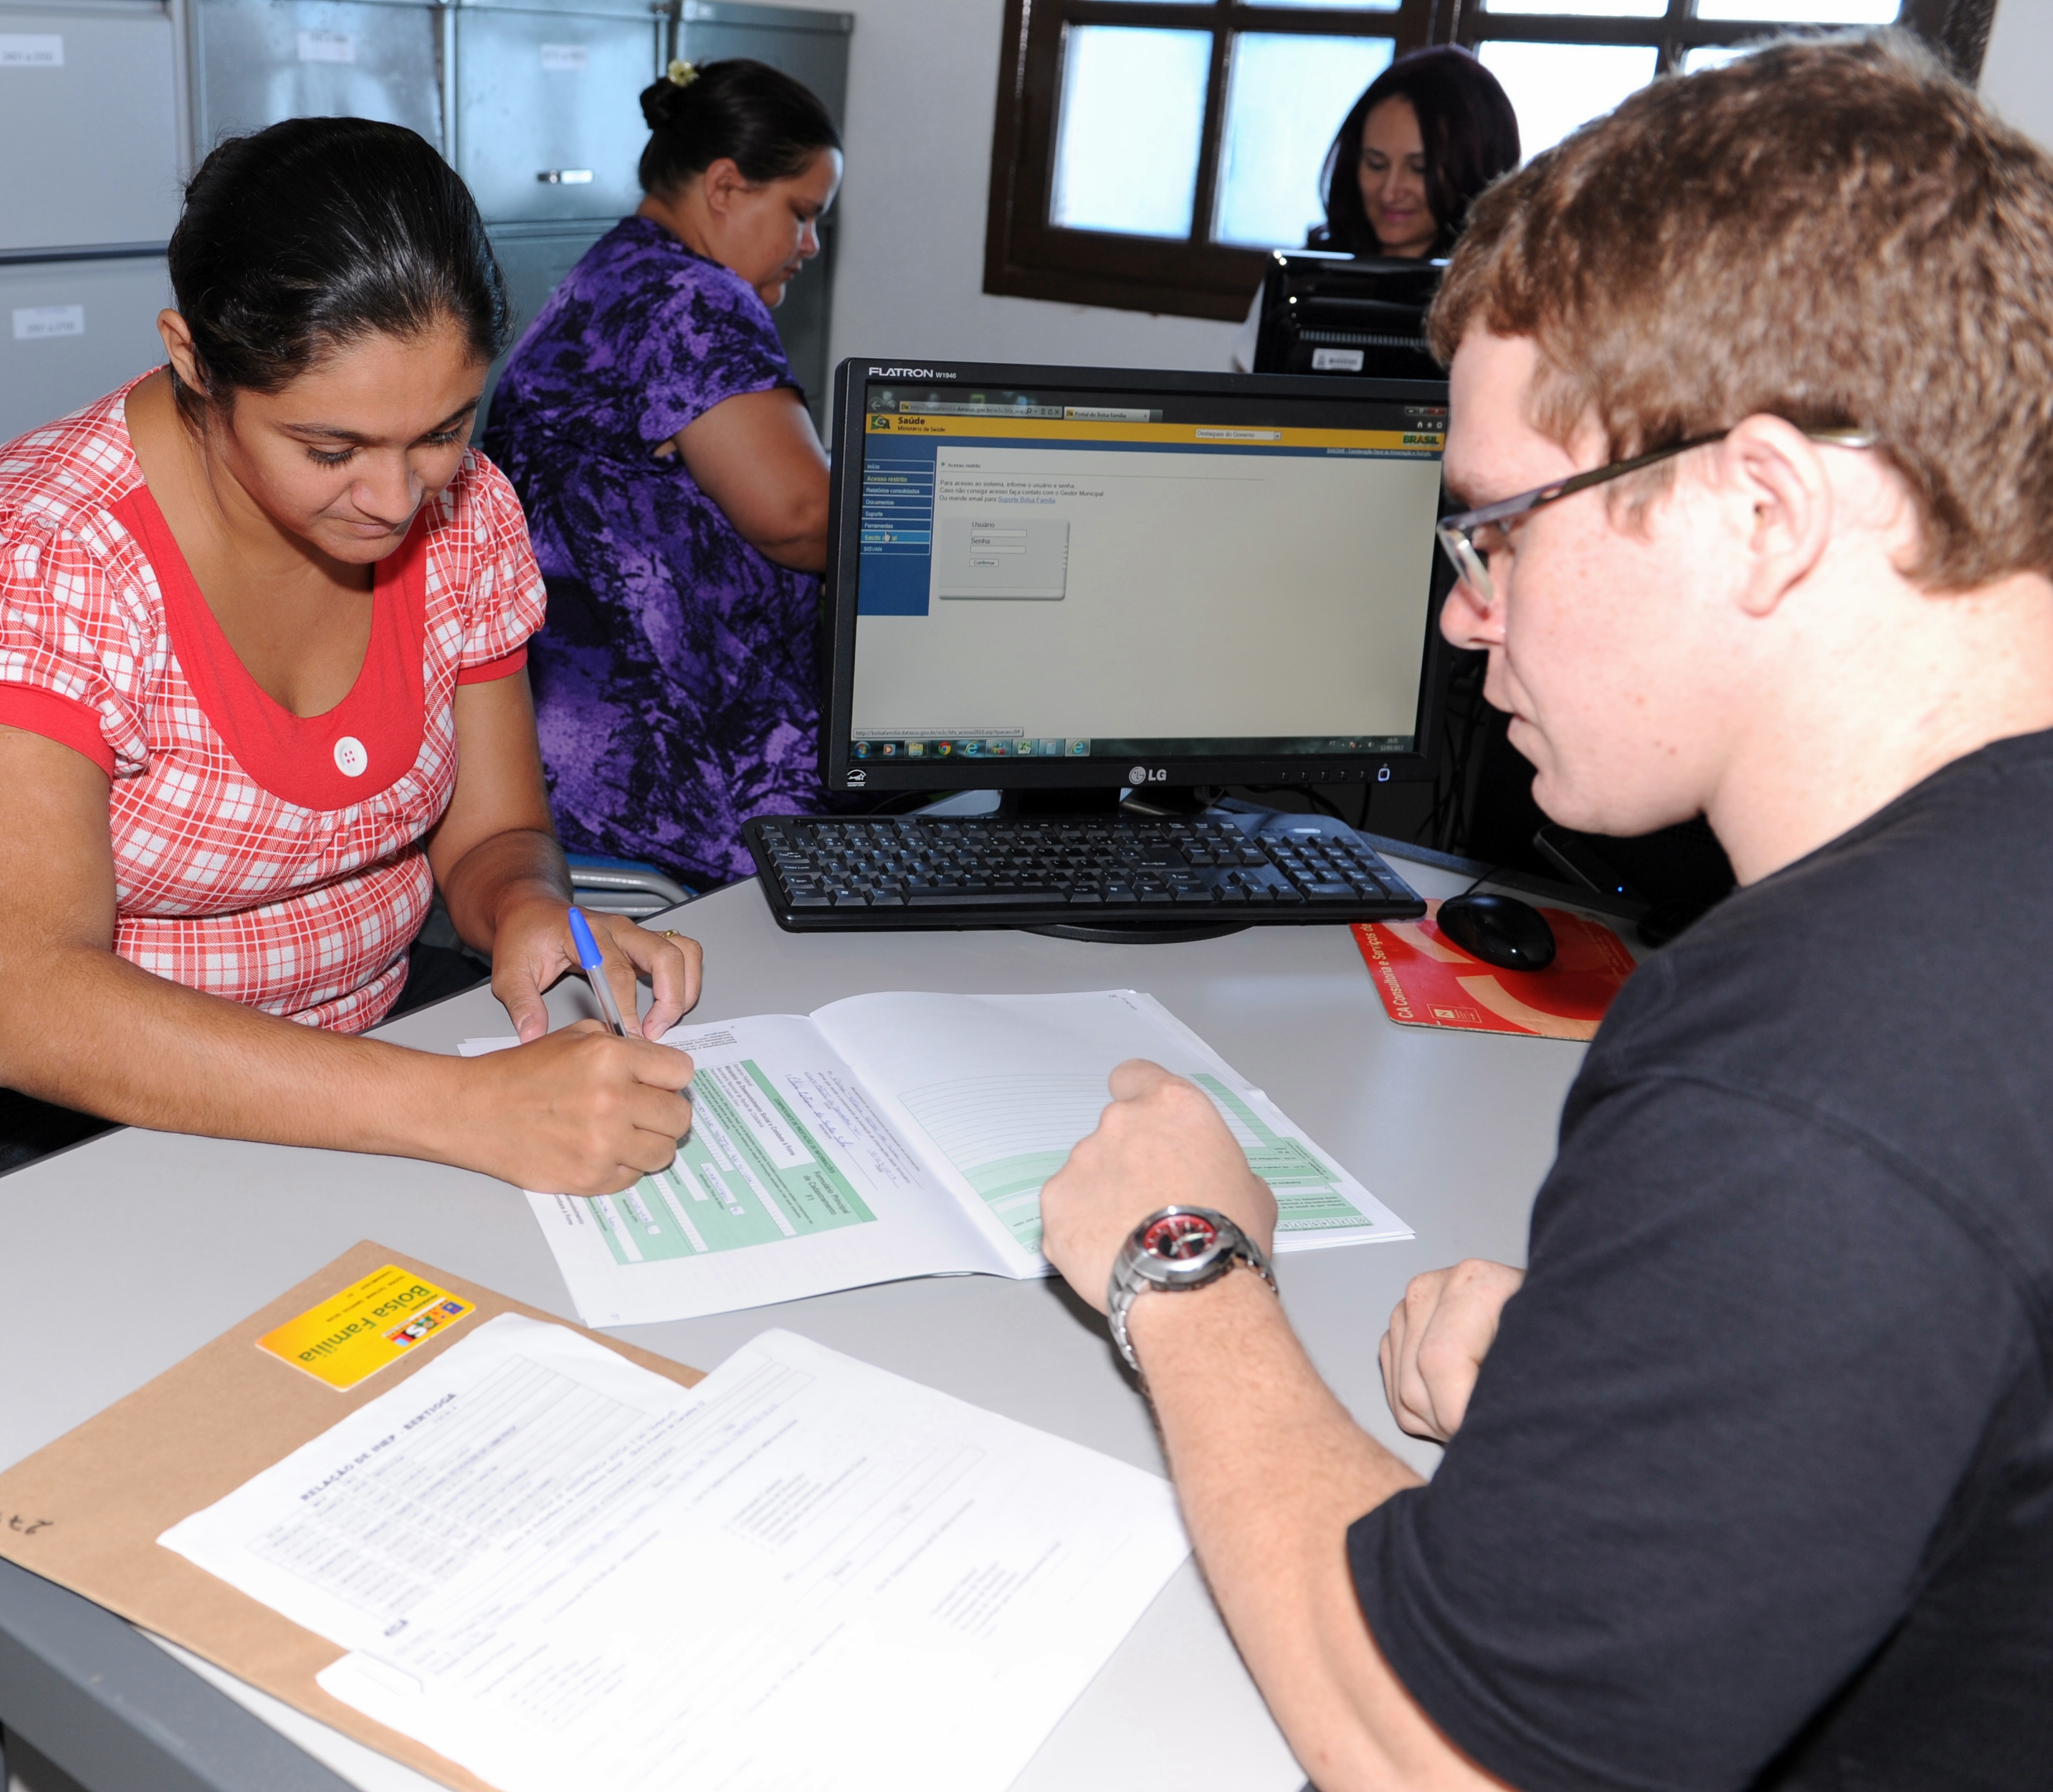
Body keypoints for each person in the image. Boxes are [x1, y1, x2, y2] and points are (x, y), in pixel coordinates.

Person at [1044, 34, 2053, 1790]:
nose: (1463, 615)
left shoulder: (1823, 1071)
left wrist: (1183, 1266)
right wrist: (1674, 1384)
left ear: (1762, 510)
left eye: (1498, 533)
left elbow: (1439, 1757)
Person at [0, 119, 702, 1217]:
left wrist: (526, 906)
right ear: (193, 360)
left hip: (360, 1034)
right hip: (40, 1108)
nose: (394, 497)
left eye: (440, 429)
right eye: (329, 450)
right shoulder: (43, 556)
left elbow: (492, 834)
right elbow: (26, 1008)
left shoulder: (466, 513)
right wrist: (459, 1110)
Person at [478, 58, 843, 889]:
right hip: (656, 759)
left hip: (559, 738)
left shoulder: (618, 270)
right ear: (725, 185)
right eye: (801, 213)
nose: (811, 245)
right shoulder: (692, 298)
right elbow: (798, 515)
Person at [1233, 47, 1516, 369]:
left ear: (1474, 173)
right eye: (1376, 164)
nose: (1391, 191)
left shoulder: (1500, 291)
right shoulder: (1302, 282)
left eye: (1419, 169)